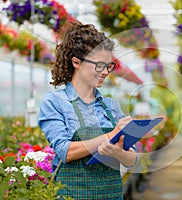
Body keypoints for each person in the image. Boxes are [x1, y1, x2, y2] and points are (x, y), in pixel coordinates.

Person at [38, 21, 137, 199]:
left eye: (108, 66)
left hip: (111, 194)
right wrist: (109, 136)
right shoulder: (54, 102)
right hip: (71, 195)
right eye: (99, 65)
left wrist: (119, 153)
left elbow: (132, 160)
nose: (106, 72)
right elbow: (65, 151)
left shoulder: (111, 106)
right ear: (76, 62)